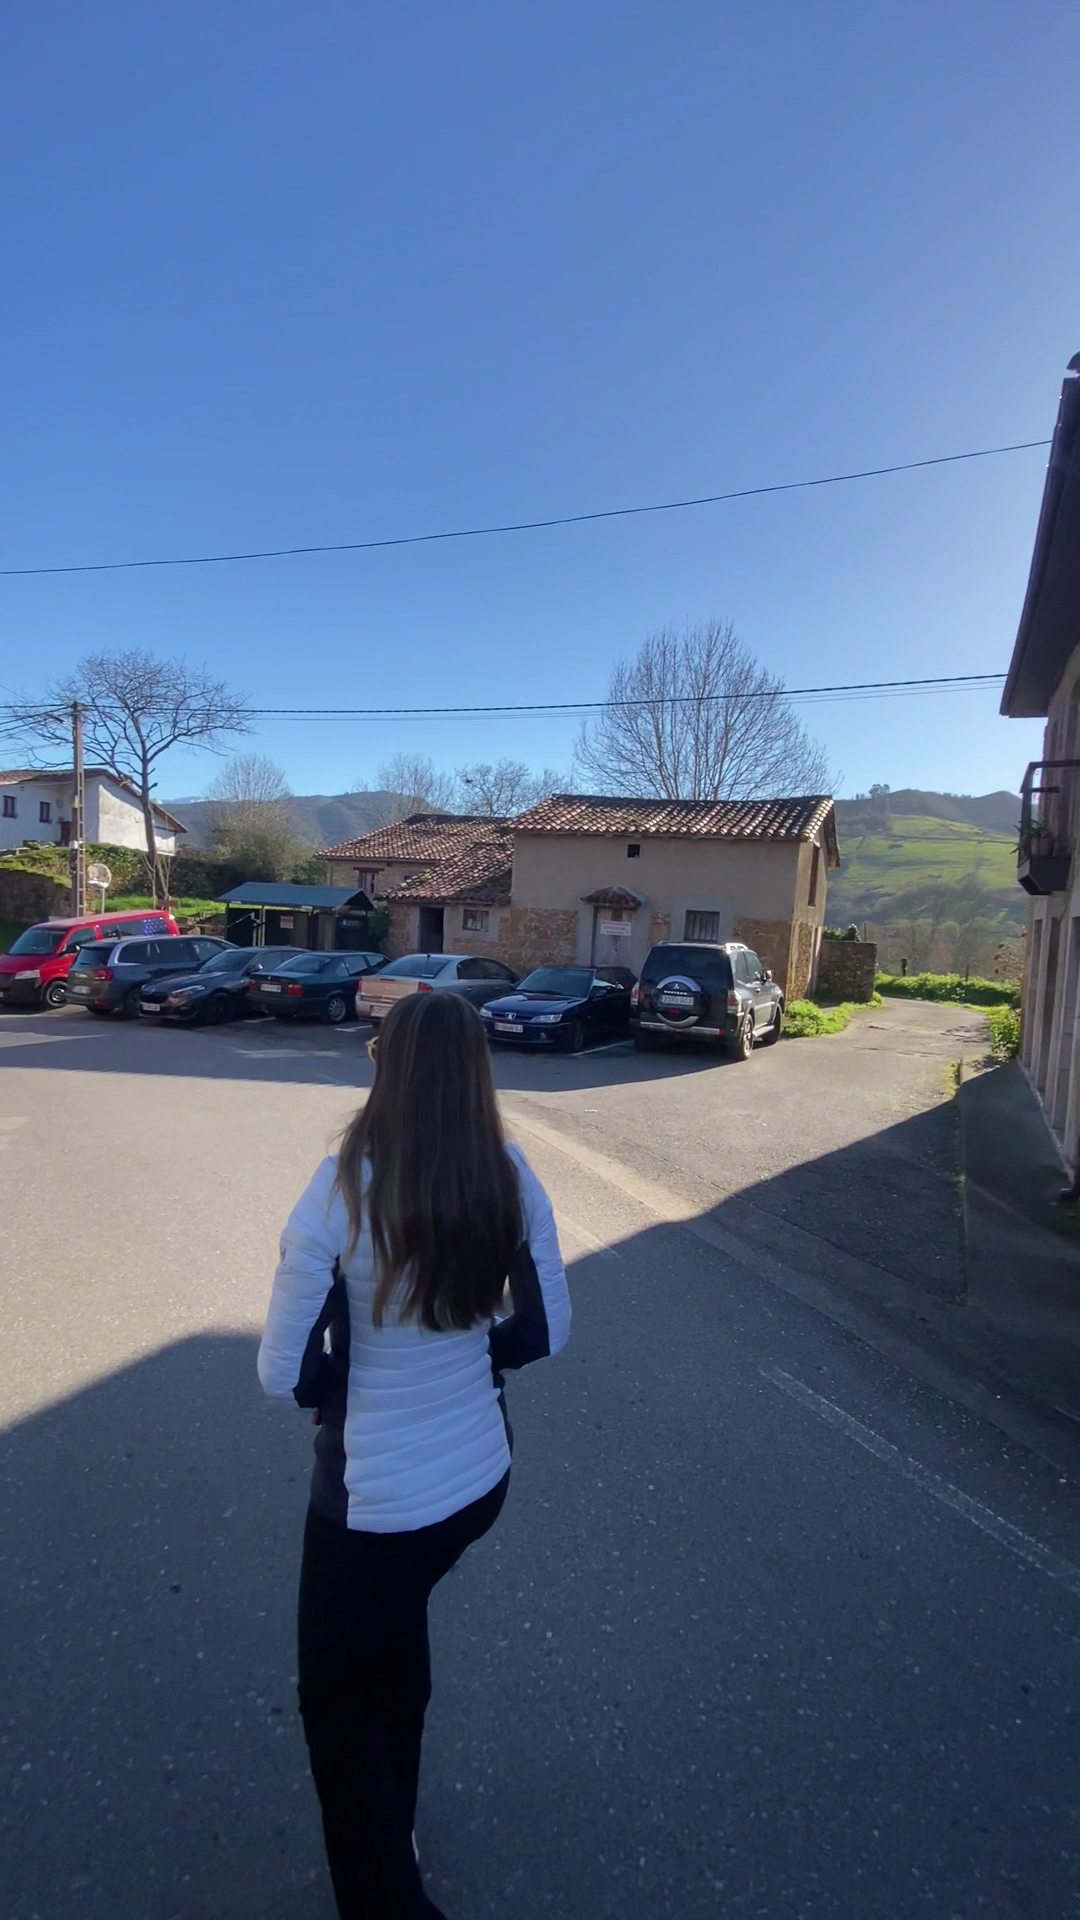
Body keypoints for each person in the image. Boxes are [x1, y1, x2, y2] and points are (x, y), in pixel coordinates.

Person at [257, 990, 571, 1919]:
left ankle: (386, 1898)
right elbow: (547, 1330)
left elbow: (281, 1371)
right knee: (395, 1633)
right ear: (476, 1078)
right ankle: (397, 1821)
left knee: (334, 1704)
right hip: (476, 1481)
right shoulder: (510, 1176)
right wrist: (479, 1359)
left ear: (386, 1072)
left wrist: (330, 1388)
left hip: (371, 1503)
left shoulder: (339, 1188)